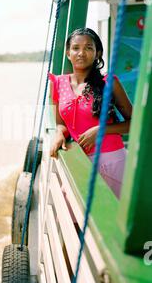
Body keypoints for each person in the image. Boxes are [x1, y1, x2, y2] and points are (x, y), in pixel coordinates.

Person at [49, 28, 132, 198]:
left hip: (113, 160)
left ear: (97, 53)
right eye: (76, 48)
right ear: (68, 53)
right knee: (75, 218)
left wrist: (100, 130)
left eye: (88, 48)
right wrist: (59, 134)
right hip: (80, 161)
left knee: (112, 218)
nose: (81, 53)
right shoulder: (58, 83)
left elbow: (134, 124)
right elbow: (61, 123)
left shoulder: (108, 82)